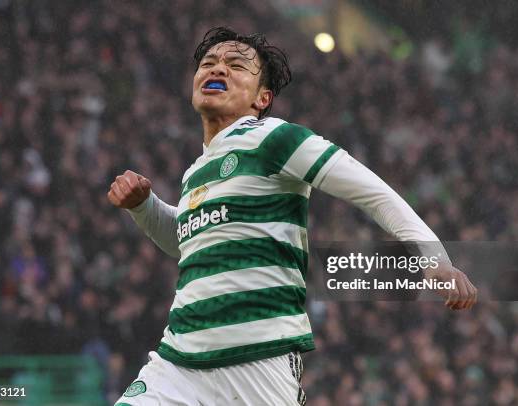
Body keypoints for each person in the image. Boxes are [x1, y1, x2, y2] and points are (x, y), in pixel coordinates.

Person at [107, 26, 477, 406]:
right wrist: (144, 206)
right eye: (209, 63)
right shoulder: (195, 173)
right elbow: (185, 243)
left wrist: (435, 258)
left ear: (262, 97)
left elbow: (374, 193)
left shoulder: (275, 138)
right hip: (179, 361)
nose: (217, 69)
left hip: (258, 361)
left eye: (235, 65)